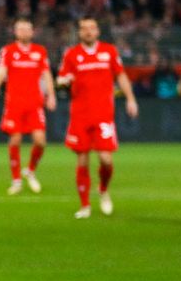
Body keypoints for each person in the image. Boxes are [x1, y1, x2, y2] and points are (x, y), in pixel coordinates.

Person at [56, 16, 138, 219]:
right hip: (80, 116)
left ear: (98, 31)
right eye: (84, 28)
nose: (88, 32)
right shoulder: (72, 55)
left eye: (92, 28)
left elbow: (120, 75)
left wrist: (130, 99)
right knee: (82, 160)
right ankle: (85, 205)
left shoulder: (109, 51)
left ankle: (103, 190)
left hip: (103, 115)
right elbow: (60, 79)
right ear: (79, 32)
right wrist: (64, 82)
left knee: (106, 160)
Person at [0, 17, 57, 195]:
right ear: (15, 32)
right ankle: (16, 180)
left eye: (27, 29)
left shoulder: (40, 51)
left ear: (32, 32)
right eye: (20, 29)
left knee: (40, 142)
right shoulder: (8, 51)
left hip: (35, 103)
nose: (24, 32)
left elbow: (46, 75)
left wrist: (51, 95)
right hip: (14, 103)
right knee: (15, 140)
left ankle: (30, 170)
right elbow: (1, 72)